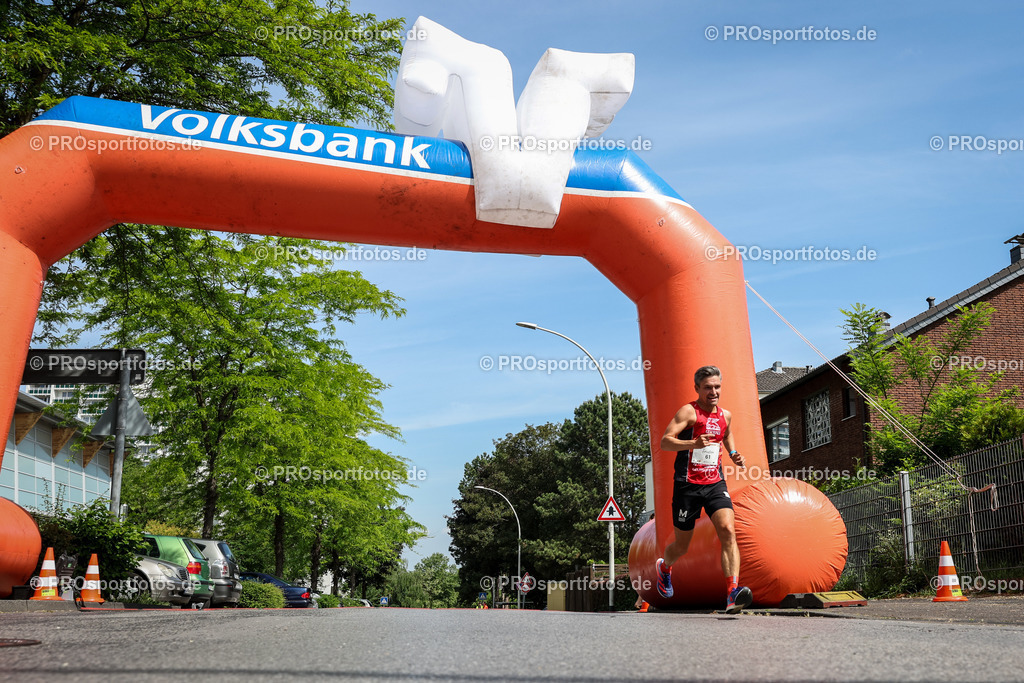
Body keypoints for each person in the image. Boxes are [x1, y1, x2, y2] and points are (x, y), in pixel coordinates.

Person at [655, 365, 753, 614]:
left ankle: (732, 592)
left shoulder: (725, 415)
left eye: (717, 387)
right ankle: (665, 567)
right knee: (682, 546)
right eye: (708, 387)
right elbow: (665, 441)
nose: (714, 392)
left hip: (714, 483)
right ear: (697, 388)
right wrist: (693, 443)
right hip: (687, 486)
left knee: (728, 530)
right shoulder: (689, 412)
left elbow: (727, 433)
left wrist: (733, 453)